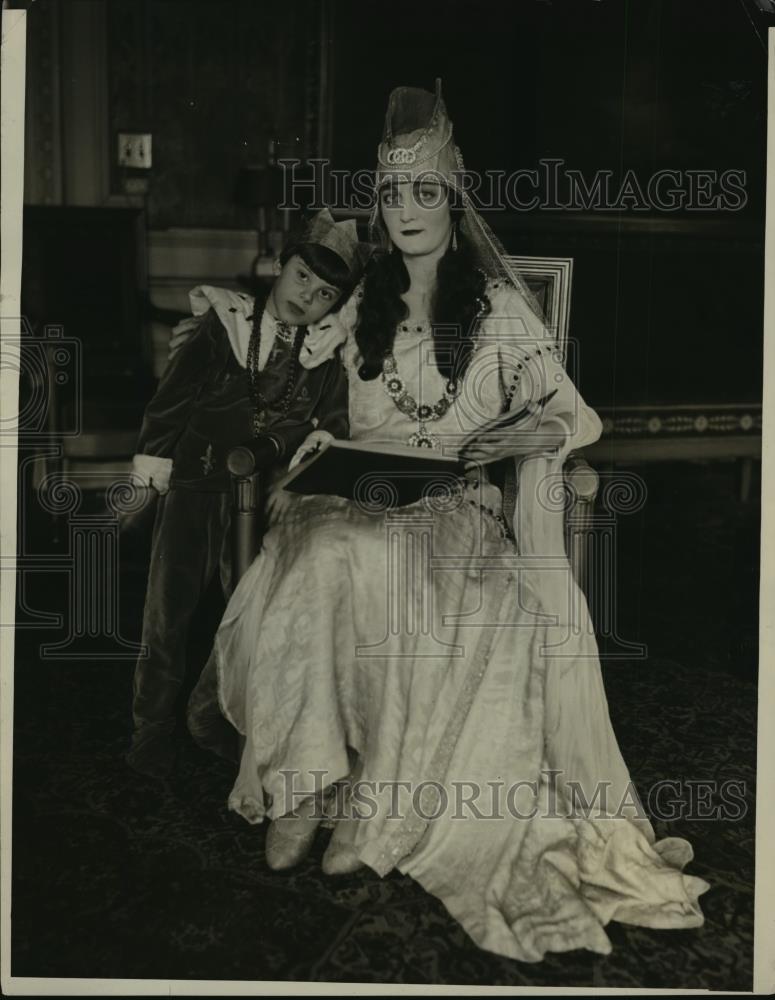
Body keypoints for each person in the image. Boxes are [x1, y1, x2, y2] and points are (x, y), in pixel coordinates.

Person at [203, 82, 710, 962]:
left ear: (452, 197)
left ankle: (376, 801)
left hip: (450, 507)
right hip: (348, 494)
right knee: (325, 552)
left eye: (424, 192)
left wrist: (524, 432)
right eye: (393, 194)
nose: (406, 210)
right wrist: (224, 336)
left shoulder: (500, 311)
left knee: (394, 573)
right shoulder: (357, 303)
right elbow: (277, 372)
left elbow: (574, 418)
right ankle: (306, 785)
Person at [126, 210, 366, 776]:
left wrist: (294, 477)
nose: (307, 297)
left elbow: (330, 430)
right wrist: (152, 467)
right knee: (169, 610)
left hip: (262, 498)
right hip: (195, 486)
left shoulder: (325, 355)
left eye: (325, 293)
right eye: (302, 277)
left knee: (254, 614)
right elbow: (171, 400)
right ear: (280, 268)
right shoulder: (226, 323)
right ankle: (150, 726)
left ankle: (234, 722)